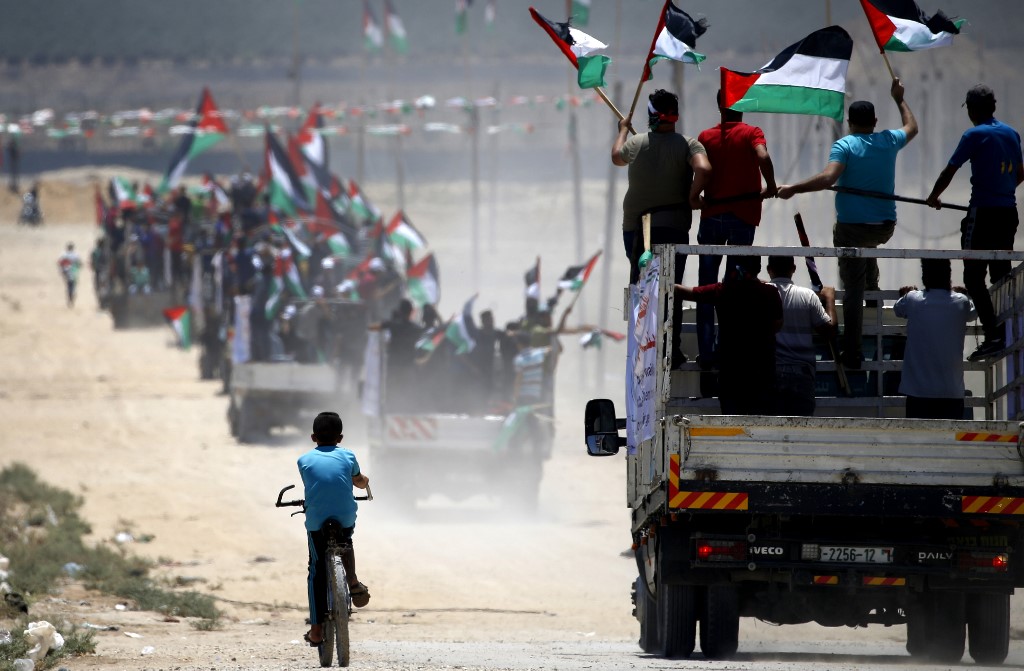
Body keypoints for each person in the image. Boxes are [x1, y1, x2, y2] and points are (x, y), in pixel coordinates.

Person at [778, 78, 918, 369]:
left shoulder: (845, 145)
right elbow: (912, 127)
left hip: (852, 230)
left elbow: (829, 178)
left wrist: (794, 188)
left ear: (850, 123)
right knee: (867, 249)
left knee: (852, 288)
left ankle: (853, 351)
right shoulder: (889, 140)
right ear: (875, 122)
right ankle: (873, 290)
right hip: (884, 227)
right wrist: (899, 98)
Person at [612, 88, 711, 366]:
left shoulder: (636, 142)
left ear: (651, 115)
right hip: (673, 228)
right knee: (670, 288)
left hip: (637, 231)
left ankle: (642, 351)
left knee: (642, 289)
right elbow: (704, 169)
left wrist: (623, 129)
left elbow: (617, 156)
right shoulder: (688, 144)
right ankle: (671, 350)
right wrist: (693, 196)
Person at [926, 85, 1024, 361]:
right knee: (1000, 273)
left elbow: (950, 170)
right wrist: (1002, 191)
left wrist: (934, 196)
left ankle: (994, 336)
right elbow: (1020, 172)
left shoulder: (973, 135)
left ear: (971, 109)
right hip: (1008, 213)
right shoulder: (1012, 133)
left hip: (982, 214)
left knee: (972, 276)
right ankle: (1006, 331)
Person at [695, 91, 778, 371]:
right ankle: (727, 348)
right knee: (734, 287)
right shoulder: (752, 133)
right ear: (742, 105)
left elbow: (700, 171)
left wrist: (696, 195)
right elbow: (762, 156)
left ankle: (706, 353)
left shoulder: (705, 137)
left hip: (712, 217)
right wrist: (771, 186)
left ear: (719, 106)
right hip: (743, 217)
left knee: (706, 287)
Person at [297, 411, 370, 647]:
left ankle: (316, 630)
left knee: (316, 570)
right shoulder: (348, 456)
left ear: (313, 437)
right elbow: (358, 481)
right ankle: (353, 581)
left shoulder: (303, 460)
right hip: (344, 515)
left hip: (317, 520)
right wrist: (365, 481)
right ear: (340, 438)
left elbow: (316, 483)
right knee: (346, 540)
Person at [676, 256, 783, 415]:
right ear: (759, 268)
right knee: (761, 422)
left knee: (732, 421)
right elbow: (778, 324)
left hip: (731, 374)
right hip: (763, 372)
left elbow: (684, 292)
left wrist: (656, 281)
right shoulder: (770, 292)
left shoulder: (724, 290)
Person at [894, 259, 976, 419]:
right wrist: (963, 294)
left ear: (924, 277)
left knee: (919, 434)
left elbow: (898, 309)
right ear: (948, 276)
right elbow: (973, 313)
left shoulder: (912, 299)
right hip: (951, 392)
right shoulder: (960, 301)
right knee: (950, 434)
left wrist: (906, 293)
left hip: (918, 392)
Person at [766, 256, 837, 416]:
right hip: (802, 375)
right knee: (801, 427)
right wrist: (830, 298)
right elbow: (830, 330)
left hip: (771, 372)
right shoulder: (807, 296)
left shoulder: (762, 294)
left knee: (771, 427)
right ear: (793, 269)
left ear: (769, 270)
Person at [57, 242, 82, 308]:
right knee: (73, 285)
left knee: (68, 286)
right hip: (74, 271)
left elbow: (60, 263)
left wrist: (61, 270)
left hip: (66, 271)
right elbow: (79, 263)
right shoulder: (76, 255)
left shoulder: (64, 254)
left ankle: (70, 297)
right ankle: (72, 296)